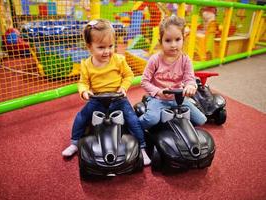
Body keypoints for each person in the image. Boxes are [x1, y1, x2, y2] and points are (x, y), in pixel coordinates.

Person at [62, 19, 151, 165]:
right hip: (97, 100)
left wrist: (123, 88)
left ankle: (142, 148)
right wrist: (84, 92)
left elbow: (129, 75)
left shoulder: (118, 60)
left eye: (111, 46)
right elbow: (83, 82)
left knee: (133, 120)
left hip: (118, 99)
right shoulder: (86, 65)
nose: (107, 51)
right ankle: (74, 143)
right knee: (81, 117)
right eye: (101, 47)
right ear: (90, 47)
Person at [139, 15, 207, 130]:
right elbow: (144, 81)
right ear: (161, 41)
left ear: (183, 39)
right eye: (168, 40)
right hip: (158, 99)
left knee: (201, 120)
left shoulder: (185, 59)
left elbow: (189, 78)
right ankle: (134, 126)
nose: (173, 45)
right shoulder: (155, 60)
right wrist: (158, 92)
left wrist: (190, 85)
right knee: (152, 119)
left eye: (177, 39)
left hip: (178, 99)